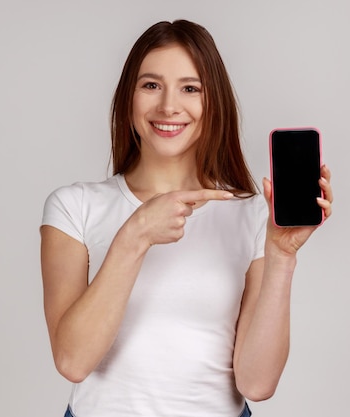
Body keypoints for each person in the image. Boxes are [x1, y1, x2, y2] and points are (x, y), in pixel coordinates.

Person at [40, 19, 333, 417]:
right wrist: (136, 234)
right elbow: (72, 360)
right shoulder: (73, 207)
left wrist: (282, 257)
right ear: (128, 98)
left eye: (190, 88)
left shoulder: (249, 215)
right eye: (151, 85)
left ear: (213, 103)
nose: (168, 106)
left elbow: (257, 384)